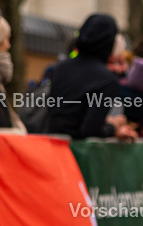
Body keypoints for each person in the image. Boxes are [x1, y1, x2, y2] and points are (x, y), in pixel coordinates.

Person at [48, 13, 137, 142]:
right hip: (80, 155)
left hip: (52, 148)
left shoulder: (60, 68)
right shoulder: (107, 80)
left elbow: (66, 114)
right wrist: (113, 127)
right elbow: (90, 130)